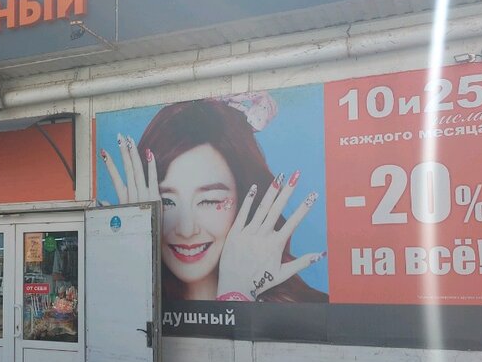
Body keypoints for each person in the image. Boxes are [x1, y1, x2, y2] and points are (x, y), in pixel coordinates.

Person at [100, 96, 327, 302]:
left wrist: (236, 293)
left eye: (209, 201)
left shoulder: (304, 309)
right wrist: (134, 255)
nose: (186, 230)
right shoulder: (114, 294)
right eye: (166, 202)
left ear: (243, 200)